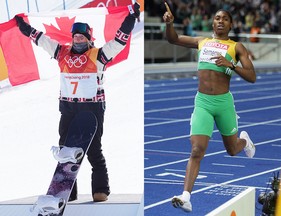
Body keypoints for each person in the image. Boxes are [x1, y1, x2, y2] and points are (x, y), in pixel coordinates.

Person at [15, 2, 140, 202]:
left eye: (82, 37)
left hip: (91, 108)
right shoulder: (61, 53)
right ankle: (68, 191)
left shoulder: (99, 55)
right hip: (68, 107)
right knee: (65, 150)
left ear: (88, 38)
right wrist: (24, 27)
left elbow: (119, 41)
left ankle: (101, 189)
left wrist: (130, 18)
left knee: (93, 149)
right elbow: (42, 40)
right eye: (75, 37)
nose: (78, 39)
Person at [163, 2, 256, 213]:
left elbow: (252, 76)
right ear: (212, 22)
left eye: (224, 18)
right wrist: (169, 24)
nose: (220, 21)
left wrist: (231, 65)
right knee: (197, 150)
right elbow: (173, 39)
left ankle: (245, 141)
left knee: (232, 150)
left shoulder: (236, 47)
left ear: (231, 24)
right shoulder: (201, 42)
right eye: (217, 18)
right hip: (203, 102)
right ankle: (186, 197)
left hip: (223, 103)